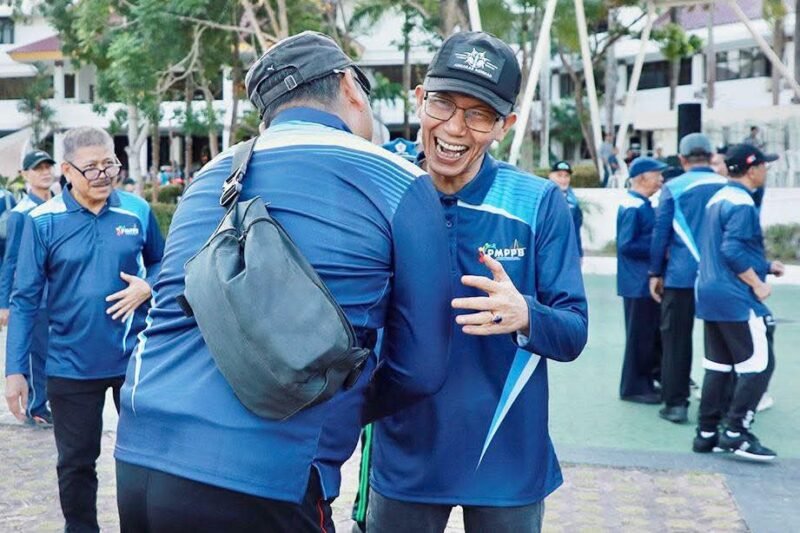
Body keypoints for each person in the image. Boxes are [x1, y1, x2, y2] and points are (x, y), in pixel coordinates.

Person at [113, 31, 452, 531]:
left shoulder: (213, 174)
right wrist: (338, 403)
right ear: (349, 86)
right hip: (267, 473)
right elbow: (421, 368)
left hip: (141, 454)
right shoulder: (396, 179)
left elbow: (168, 305)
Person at [367, 31, 588, 533]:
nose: (455, 128)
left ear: (504, 125)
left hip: (507, 459)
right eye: (443, 104)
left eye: (479, 114)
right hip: (403, 456)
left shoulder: (538, 202)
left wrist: (526, 314)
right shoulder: (385, 191)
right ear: (420, 99)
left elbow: (573, 331)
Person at [4, 127, 164, 532]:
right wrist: (15, 370)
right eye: (90, 167)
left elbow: (165, 264)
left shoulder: (137, 212)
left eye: (108, 163)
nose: (102, 174)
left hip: (133, 361)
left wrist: (149, 286)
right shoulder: (42, 222)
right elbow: (25, 299)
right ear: (67, 171)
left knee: (142, 460)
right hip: (69, 364)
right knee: (76, 462)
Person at [693, 144, 782, 461]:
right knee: (759, 365)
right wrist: (757, 282)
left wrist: (765, 265)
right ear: (752, 169)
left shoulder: (719, 198)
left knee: (718, 366)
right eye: (764, 166)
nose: (766, 171)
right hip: (735, 297)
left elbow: (723, 247)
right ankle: (735, 432)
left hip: (710, 293)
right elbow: (731, 251)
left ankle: (706, 434)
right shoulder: (743, 204)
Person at [648, 133, 727, 424]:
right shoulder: (727, 186)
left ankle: (676, 405)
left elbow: (660, 236)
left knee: (676, 341)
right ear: (711, 156)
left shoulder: (673, 188)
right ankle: (721, 406)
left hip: (680, 277)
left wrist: (654, 273)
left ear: (682, 160)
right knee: (722, 342)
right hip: (720, 279)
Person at [1, 150, 57, 427]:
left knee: (53, 352)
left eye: (48, 166)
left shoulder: (61, 207)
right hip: (34, 298)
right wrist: (4, 303)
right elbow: (10, 262)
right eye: (38, 168)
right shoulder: (20, 214)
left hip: (60, 295)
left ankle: (52, 402)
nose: (45, 172)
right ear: (25, 175)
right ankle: (36, 406)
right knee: (36, 355)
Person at [617, 157, 666, 404]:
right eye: (657, 174)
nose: (661, 179)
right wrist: (658, 247)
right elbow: (626, 245)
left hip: (641, 282)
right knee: (639, 337)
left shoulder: (642, 204)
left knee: (647, 336)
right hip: (636, 283)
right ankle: (634, 387)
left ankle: (645, 382)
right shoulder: (633, 206)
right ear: (643, 178)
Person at [549, 160, 583, 258]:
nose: (563, 180)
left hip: (567, 253)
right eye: (559, 175)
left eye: (566, 176)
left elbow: (576, 230)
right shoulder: (542, 198)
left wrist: (579, 254)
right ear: (550, 176)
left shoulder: (573, 202)